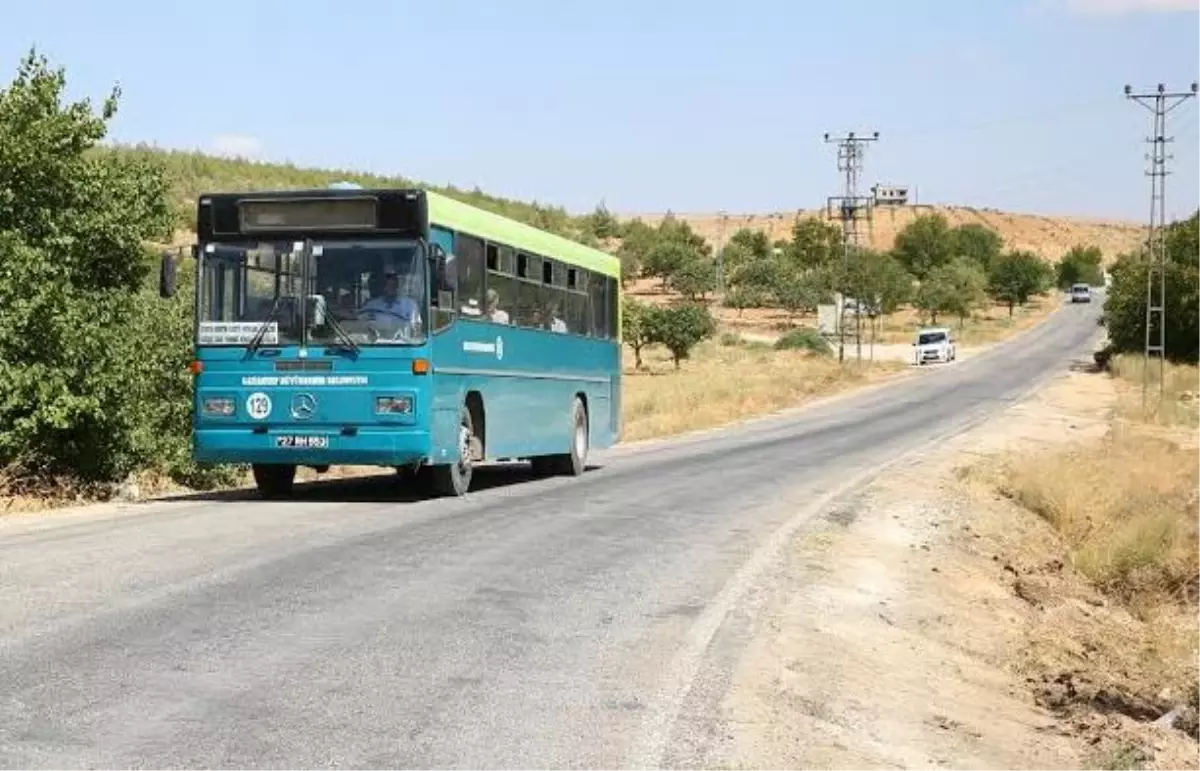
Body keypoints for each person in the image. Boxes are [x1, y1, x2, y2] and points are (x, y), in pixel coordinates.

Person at [359, 268, 422, 337]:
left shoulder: (410, 305)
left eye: (393, 283)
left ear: (397, 285)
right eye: (387, 283)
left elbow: (416, 329)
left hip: (403, 344)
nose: (390, 286)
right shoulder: (371, 305)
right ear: (382, 285)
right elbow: (359, 324)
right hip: (376, 343)